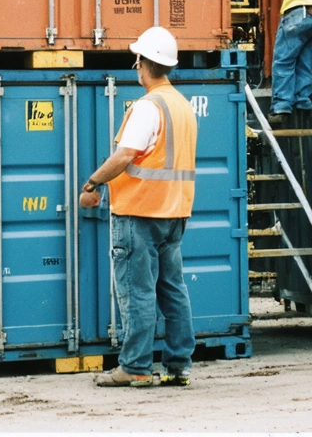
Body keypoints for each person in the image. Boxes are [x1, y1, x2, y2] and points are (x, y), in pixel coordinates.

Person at [79, 26, 198, 388]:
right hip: (175, 212)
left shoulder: (148, 107)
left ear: (142, 64)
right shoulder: (182, 105)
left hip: (140, 212)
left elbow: (125, 155)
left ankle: (135, 367)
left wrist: (92, 183)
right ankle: (179, 366)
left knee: (137, 292)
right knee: (173, 290)